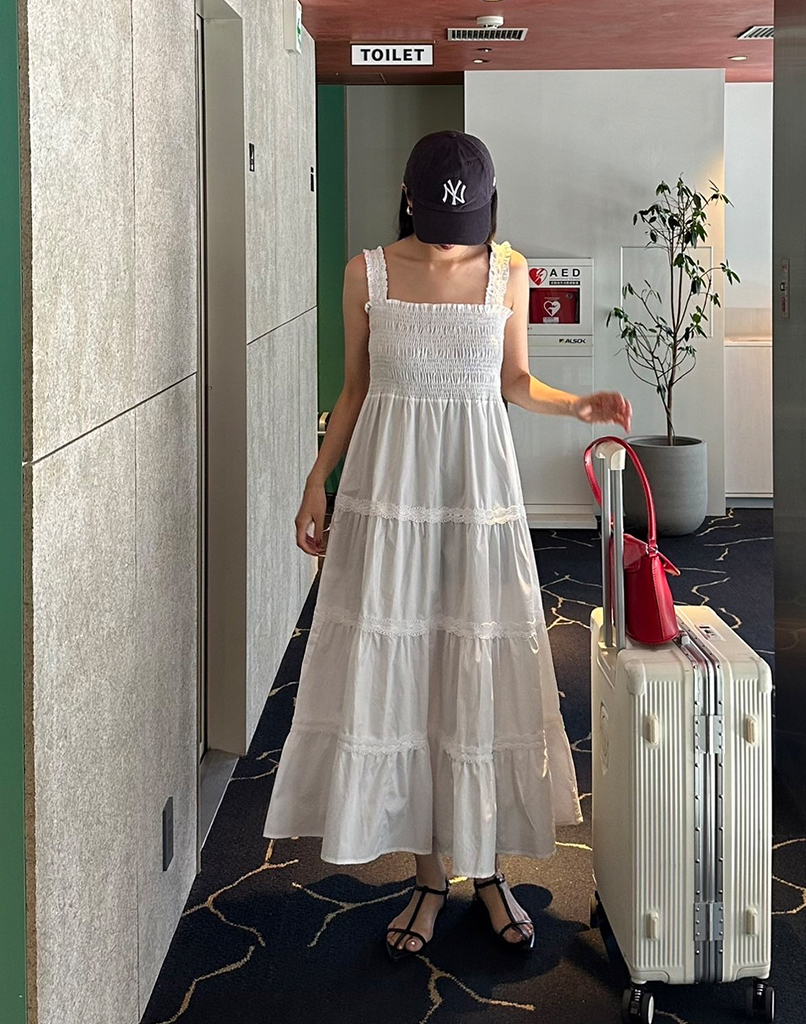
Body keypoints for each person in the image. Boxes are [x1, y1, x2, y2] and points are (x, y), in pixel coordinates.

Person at [263, 131, 632, 960]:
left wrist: (576, 405)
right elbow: (355, 390)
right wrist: (317, 479)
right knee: (408, 675)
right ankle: (430, 877)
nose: (449, 237)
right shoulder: (367, 273)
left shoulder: (509, 269)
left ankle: (487, 869)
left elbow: (512, 382)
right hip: (390, 499)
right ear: (408, 197)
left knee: (477, 669)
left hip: (475, 495)